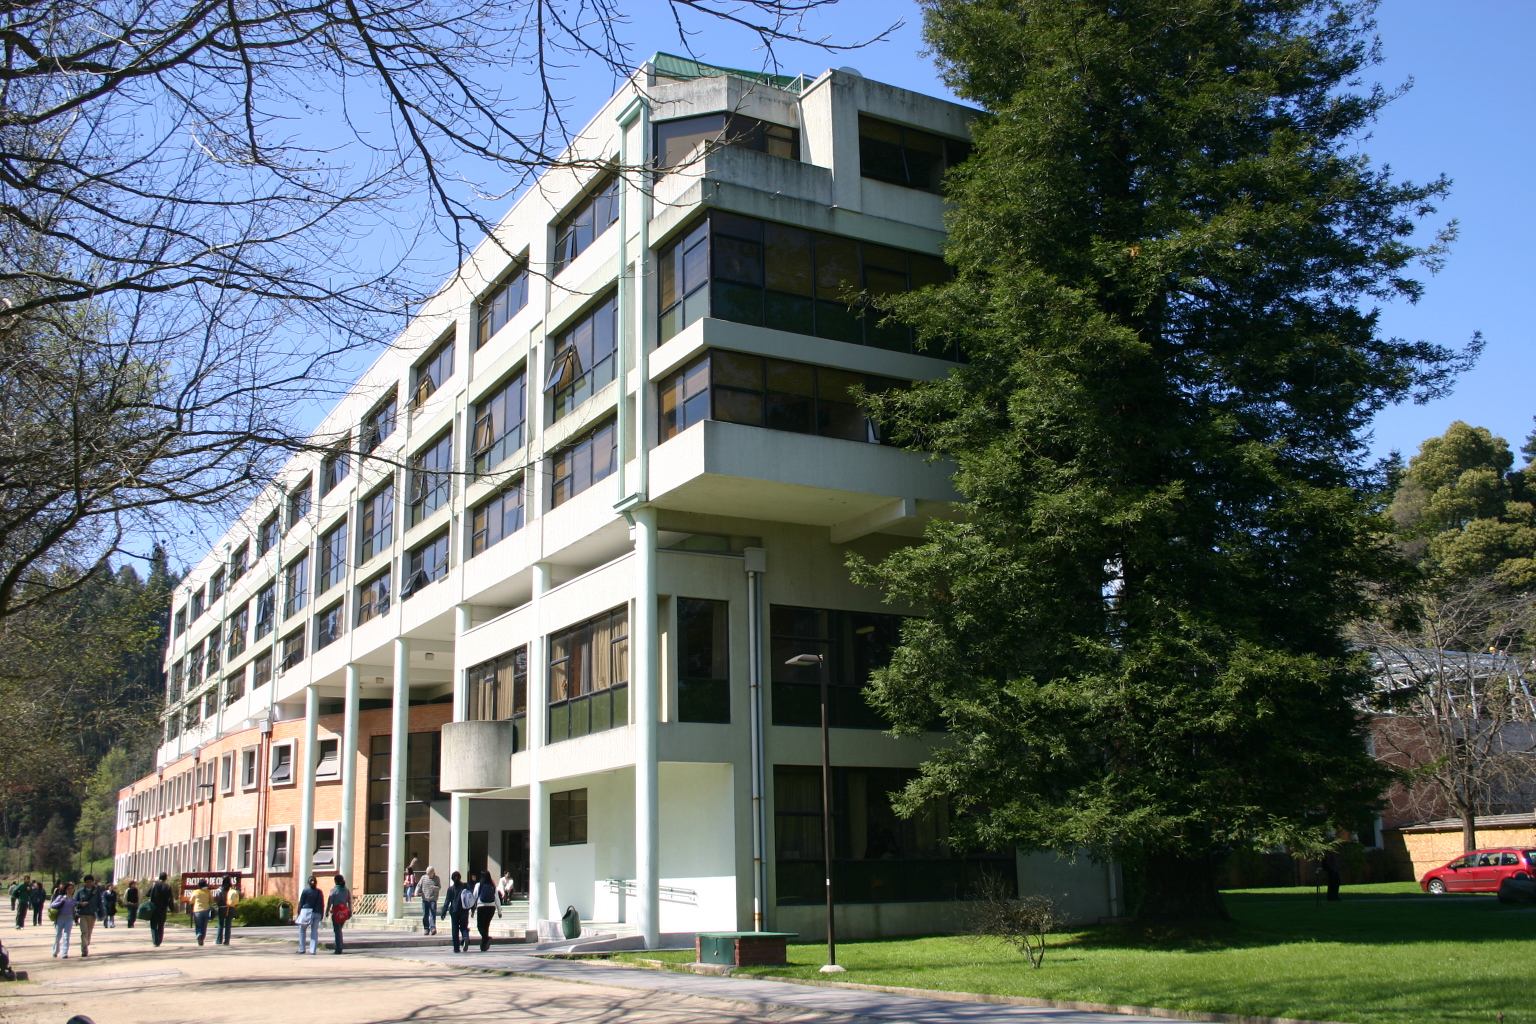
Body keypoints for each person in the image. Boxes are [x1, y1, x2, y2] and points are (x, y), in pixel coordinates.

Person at [440, 871, 471, 953]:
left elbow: (447, 901)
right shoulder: (465, 886)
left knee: (455, 929)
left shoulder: (450, 889)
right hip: (464, 910)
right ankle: (465, 936)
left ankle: (456, 948)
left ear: (452, 879)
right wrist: (473, 908)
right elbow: (470, 897)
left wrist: (443, 912)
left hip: (454, 911)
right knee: (464, 926)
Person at [74, 875, 103, 957]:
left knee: (89, 932)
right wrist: (80, 903)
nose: (89, 883)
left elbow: (100, 903)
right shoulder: (80, 891)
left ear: (93, 882)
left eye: (91, 881)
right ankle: (84, 949)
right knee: (84, 932)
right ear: (85, 882)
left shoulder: (96, 892)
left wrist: (101, 913)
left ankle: (86, 943)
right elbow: (74, 902)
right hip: (83, 914)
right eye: (87, 882)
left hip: (92, 915)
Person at [296, 876, 324, 954]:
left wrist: (298, 913)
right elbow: (322, 904)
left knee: (302, 930)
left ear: (308, 883)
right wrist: (322, 913)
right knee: (314, 931)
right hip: (317, 913)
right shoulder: (319, 892)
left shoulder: (305, 891)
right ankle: (313, 950)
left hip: (306, 912)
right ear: (316, 883)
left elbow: (301, 903)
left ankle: (302, 949)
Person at [145, 872, 174, 947]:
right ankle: (160, 940)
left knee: (153, 924)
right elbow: (170, 899)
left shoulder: (155, 885)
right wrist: (172, 909)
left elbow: (147, 894)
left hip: (154, 908)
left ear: (159, 878)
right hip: (163, 909)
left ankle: (155, 940)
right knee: (161, 925)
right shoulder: (168, 887)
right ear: (166, 878)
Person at [473, 869, 499, 952]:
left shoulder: (478, 885)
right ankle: (483, 946)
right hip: (491, 907)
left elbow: (474, 897)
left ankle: (486, 938)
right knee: (486, 926)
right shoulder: (492, 885)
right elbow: (497, 898)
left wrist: (472, 909)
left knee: (480, 926)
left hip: (481, 906)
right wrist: (499, 911)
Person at [324, 875, 351, 954]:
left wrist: (327, 911)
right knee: (339, 930)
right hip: (344, 912)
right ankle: (339, 946)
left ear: (335, 881)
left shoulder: (334, 890)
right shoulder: (346, 890)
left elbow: (330, 902)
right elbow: (349, 901)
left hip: (336, 912)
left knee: (337, 931)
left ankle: (338, 948)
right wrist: (350, 910)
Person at [49, 882, 76, 959]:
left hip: (69, 918)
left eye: (72, 888)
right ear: (66, 889)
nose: (70, 890)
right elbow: (52, 905)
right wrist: (61, 902)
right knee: (58, 935)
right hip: (60, 918)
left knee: (66, 936)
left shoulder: (73, 899)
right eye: (68, 888)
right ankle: (55, 951)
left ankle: (64, 953)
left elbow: (75, 906)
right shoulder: (61, 897)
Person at [215, 876, 240, 945]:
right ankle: (227, 941)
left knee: (220, 924)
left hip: (222, 908)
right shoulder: (232, 889)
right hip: (231, 908)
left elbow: (218, 899)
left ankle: (219, 940)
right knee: (228, 925)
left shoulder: (219, 890)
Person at [417, 866, 441, 936]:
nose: (428, 875)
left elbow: (439, 887)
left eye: (429, 874)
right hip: (425, 899)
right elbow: (419, 885)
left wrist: (434, 888)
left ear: (433, 873)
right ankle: (426, 928)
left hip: (433, 899)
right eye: (427, 874)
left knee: (433, 914)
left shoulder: (437, 878)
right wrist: (416, 891)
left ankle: (433, 928)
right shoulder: (423, 878)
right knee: (425, 914)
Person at [189, 879, 213, 946]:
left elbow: (191, 901)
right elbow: (211, 900)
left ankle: (199, 934)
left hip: (197, 910)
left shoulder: (196, 892)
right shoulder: (208, 892)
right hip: (206, 910)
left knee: (198, 925)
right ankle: (202, 938)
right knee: (204, 926)